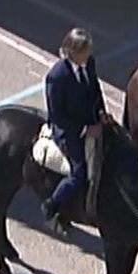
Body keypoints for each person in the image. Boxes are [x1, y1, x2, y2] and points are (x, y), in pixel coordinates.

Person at [42, 27, 109, 222]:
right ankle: (52, 204)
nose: (88, 55)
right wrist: (86, 130)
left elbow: (95, 89)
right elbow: (57, 116)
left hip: (90, 118)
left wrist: (102, 112)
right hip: (68, 130)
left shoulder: (89, 64)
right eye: (84, 51)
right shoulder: (57, 77)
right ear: (72, 52)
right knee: (78, 173)